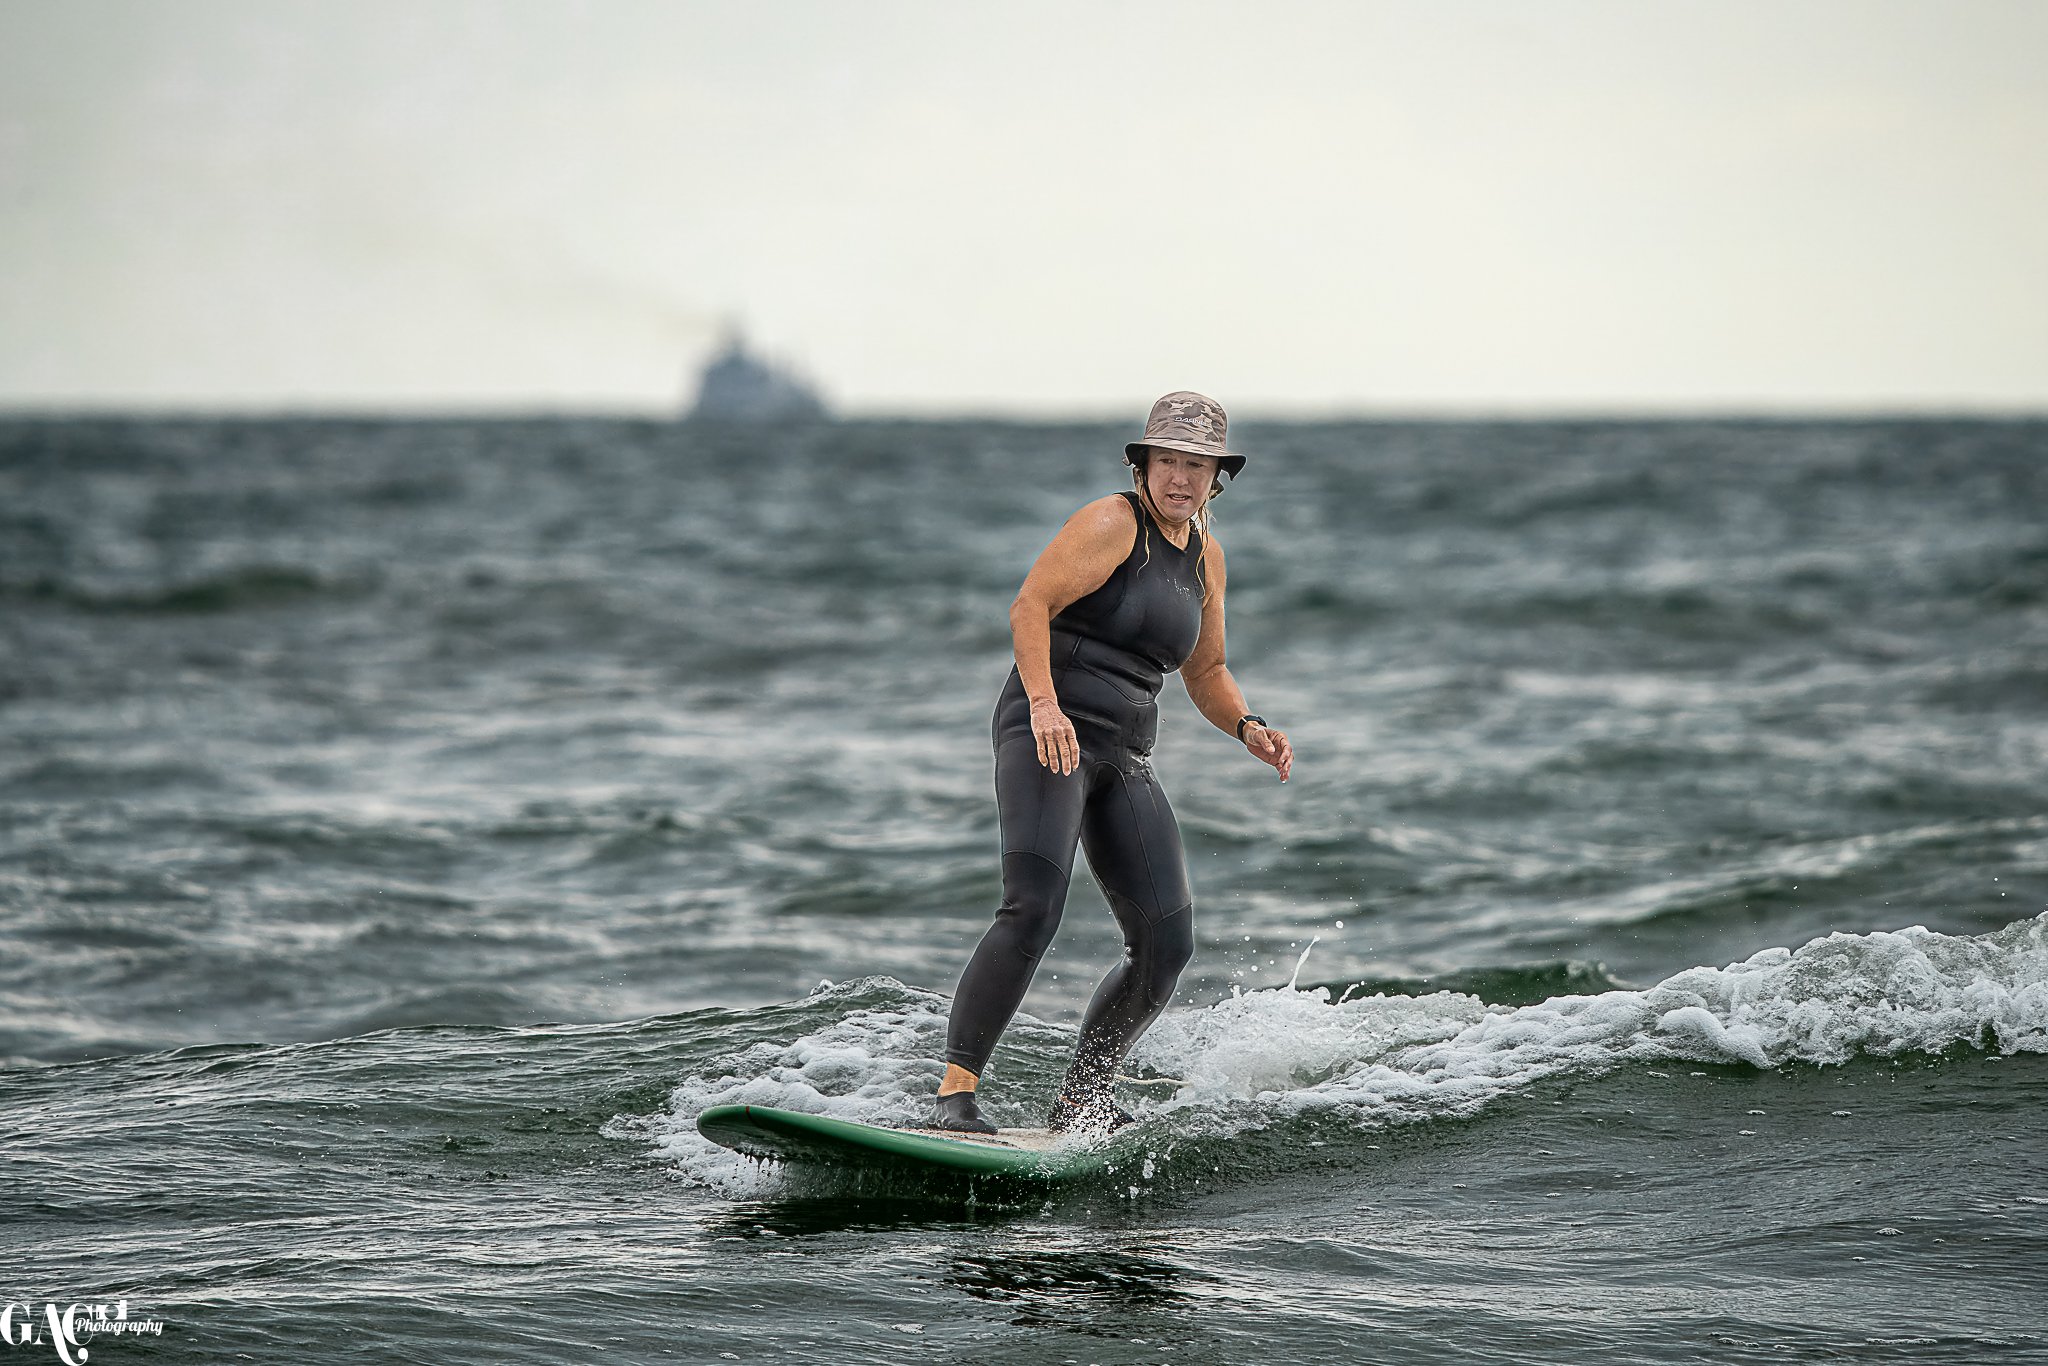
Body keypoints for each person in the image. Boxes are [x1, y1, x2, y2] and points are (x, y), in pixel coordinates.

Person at [931, 391, 1294, 1135]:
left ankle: (1081, 1101)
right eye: (1169, 461)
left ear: (1215, 476)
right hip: (1050, 734)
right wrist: (1041, 706)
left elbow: (1207, 670)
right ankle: (953, 1095)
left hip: (1125, 754)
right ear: (1145, 464)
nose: (1182, 479)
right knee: (1033, 906)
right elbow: (1029, 607)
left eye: (1197, 466)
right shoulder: (1110, 524)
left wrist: (1248, 725)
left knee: (1167, 943)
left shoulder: (1204, 558)